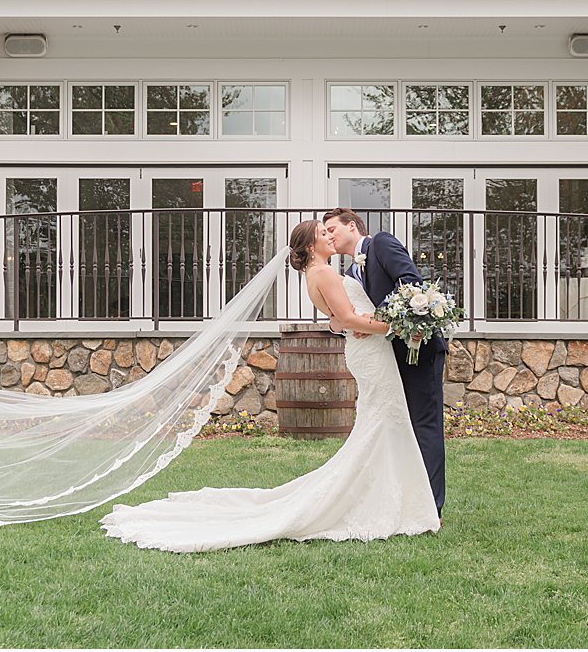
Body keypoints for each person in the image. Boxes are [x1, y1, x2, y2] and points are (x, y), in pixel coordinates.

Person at [99, 220, 440, 551]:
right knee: (384, 421)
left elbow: (337, 320)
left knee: (382, 423)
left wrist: (361, 323)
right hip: (370, 353)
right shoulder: (323, 273)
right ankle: (388, 501)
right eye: (323, 233)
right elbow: (347, 319)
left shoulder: (318, 275)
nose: (329, 237)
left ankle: (393, 495)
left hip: (366, 352)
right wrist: (399, 326)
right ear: (311, 246)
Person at [322, 207, 447, 519]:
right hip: (389, 354)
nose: (330, 237)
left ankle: (432, 507)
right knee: (399, 425)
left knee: (424, 425)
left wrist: (379, 317)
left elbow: (411, 285)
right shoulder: (351, 273)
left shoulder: (381, 243)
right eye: (325, 233)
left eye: (333, 229)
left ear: (352, 226)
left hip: (420, 347)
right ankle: (406, 498)